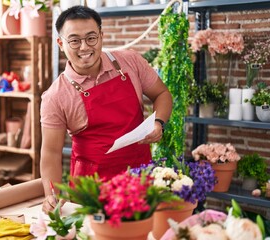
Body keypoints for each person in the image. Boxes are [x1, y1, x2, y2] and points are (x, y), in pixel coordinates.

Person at [40, 5, 173, 213]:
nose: (84, 47)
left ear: (101, 36)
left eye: (91, 38)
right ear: (61, 43)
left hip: (140, 178)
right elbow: (51, 152)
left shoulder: (130, 61)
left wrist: (159, 122)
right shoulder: (55, 96)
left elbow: (162, 94)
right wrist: (51, 196)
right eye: (74, 40)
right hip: (92, 191)